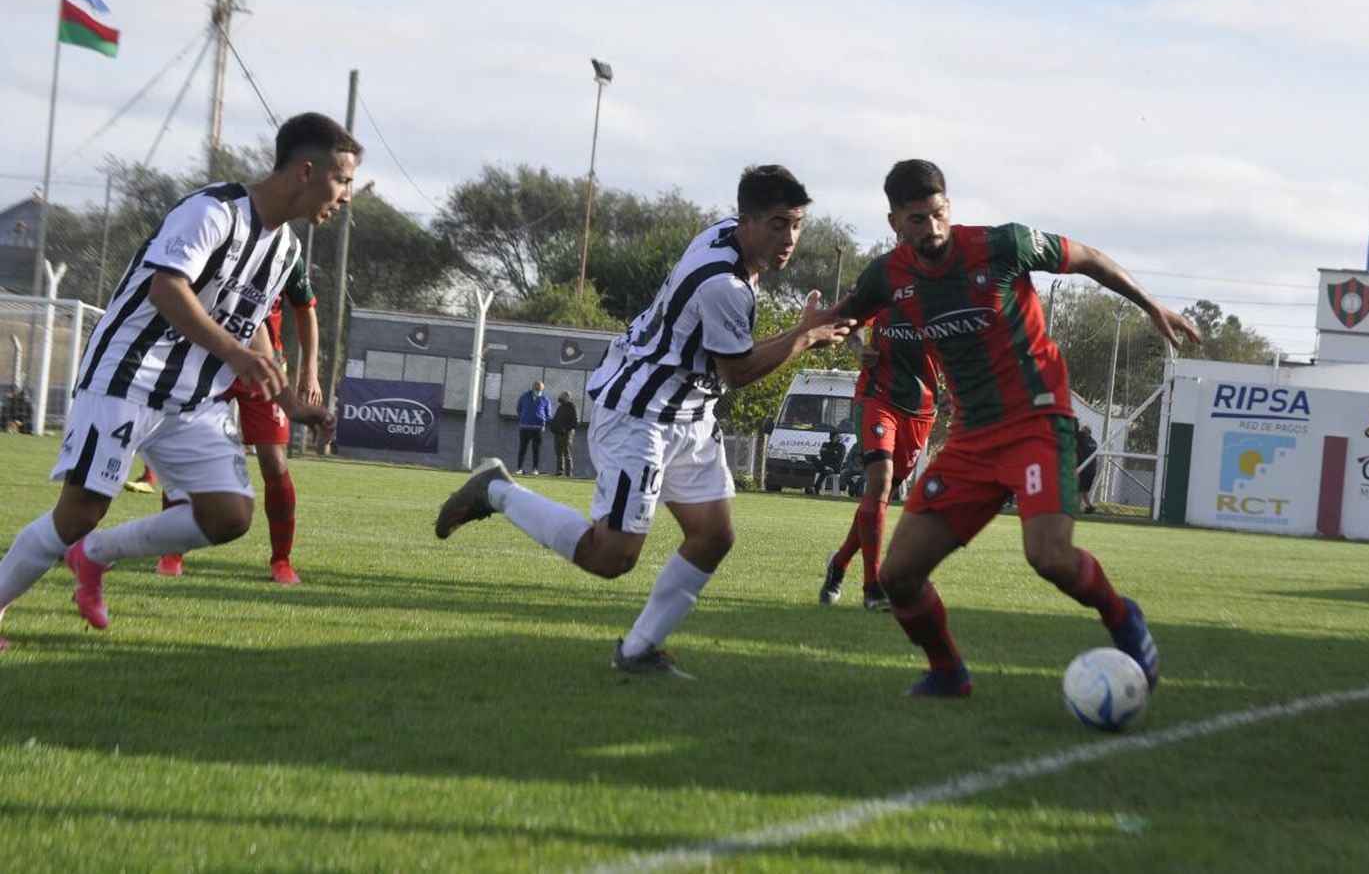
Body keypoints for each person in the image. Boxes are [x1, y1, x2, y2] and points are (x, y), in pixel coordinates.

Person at [435, 164, 852, 679]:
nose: (790, 238)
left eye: (796, 224)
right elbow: (739, 370)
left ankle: (637, 651)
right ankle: (496, 490)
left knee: (713, 536)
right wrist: (806, 335)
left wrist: (804, 329)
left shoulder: (727, 239)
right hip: (642, 415)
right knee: (611, 556)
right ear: (746, 221)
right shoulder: (724, 284)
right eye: (778, 225)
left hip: (689, 413)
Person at [839, 159, 1200, 697]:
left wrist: (1150, 304)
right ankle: (948, 672)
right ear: (896, 223)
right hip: (971, 440)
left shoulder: (1002, 244)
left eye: (939, 214)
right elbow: (847, 315)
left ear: (949, 207)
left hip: (1036, 423)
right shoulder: (887, 276)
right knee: (898, 577)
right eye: (918, 220)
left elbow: (1090, 259)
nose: (932, 229)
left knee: (1048, 557)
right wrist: (818, 328)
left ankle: (1122, 618)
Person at [0, 112, 349, 651]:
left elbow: (251, 322)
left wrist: (289, 400)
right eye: (342, 179)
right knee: (80, 511)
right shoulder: (211, 211)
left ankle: (94, 556)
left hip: (192, 399)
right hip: (126, 376)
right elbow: (167, 290)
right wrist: (233, 351)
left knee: (229, 515)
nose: (346, 195)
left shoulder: (286, 251)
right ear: (307, 170)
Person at [156, 255, 322, 584]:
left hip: (264, 368)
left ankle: (281, 561)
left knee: (274, 463)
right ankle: (171, 553)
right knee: (188, 455)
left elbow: (305, 309)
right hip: (207, 364)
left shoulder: (287, 252)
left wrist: (310, 371)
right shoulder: (221, 238)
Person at [818, 308, 939, 610]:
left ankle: (840, 562)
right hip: (877, 395)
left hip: (921, 409)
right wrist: (859, 347)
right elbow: (851, 320)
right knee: (880, 482)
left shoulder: (953, 285)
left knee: (882, 493)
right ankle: (873, 587)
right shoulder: (886, 275)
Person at [515, 380, 551, 475]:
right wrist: (523, 417)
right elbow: (519, 408)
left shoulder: (544, 398)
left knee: (536, 449)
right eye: (537, 388)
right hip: (525, 426)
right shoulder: (524, 396)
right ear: (533, 387)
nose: (538, 391)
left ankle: (535, 469)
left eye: (540, 389)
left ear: (542, 389)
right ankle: (519, 468)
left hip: (538, 428)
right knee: (523, 448)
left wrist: (542, 420)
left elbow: (548, 413)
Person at [806, 428, 847, 497]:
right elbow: (822, 454)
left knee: (824, 471)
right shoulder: (825, 444)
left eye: (839, 437)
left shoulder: (842, 446)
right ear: (832, 437)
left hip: (835, 466)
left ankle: (815, 487)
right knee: (813, 458)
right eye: (837, 437)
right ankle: (816, 487)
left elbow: (839, 458)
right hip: (824, 464)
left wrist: (828, 453)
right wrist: (833, 453)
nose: (839, 438)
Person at [550, 389, 579, 476]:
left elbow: (576, 422)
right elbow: (555, 419)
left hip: (567, 434)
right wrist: (553, 428)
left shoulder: (573, 407)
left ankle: (568, 473)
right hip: (558, 433)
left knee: (566, 453)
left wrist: (566, 429)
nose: (560, 398)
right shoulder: (560, 407)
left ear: (567, 397)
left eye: (562, 396)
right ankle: (559, 471)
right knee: (558, 452)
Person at [1076, 424, 1099, 515]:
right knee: (1084, 491)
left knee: (1079, 490)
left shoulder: (1082, 442)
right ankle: (1090, 507)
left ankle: (1076, 510)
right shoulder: (1094, 442)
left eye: (1082, 431)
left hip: (1084, 469)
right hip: (1092, 470)